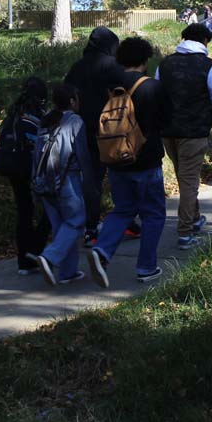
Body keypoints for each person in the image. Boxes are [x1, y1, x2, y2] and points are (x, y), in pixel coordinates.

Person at [87, 37, 168, 287]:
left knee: (122, 209)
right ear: (146, 59)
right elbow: (165, 121)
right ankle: (146, 267)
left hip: (115, 159)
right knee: (153, 214)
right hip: (146, 160)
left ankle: (102, 250)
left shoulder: (111, 87)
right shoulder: (151, 87)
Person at [154, 23, 212, 248]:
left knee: (183, 176)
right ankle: (185, 232)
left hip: (167, 129)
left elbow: (156, 92)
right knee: (189, 180)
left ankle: (194, 217)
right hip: (194, 131)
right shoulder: (208, 65)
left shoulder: (165, 64)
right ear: (205, 41)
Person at [62, 26, 128, 246]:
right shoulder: (111, 65)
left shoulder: (77, 67)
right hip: (109, 130)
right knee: (119, 175)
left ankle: (89, 226)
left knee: (91, 179)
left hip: (80, 129)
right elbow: (126, 89)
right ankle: (125, 219)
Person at [35, 83, 96, 286]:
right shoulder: (75, 121)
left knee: (61, 227)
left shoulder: (46, 120)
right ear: (72, 101)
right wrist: (91, 185)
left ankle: (67, 273)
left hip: (44, 180)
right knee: (76, 221)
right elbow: (82, 155)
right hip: (67, 180)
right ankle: (50, 257)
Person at [0, 77, 50, 275]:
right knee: (51, 209)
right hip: (30, 167)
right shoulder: (37, 117)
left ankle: (24, 261)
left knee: (24, 211)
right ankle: (34, 251)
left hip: (11, 166)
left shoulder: (13, 115)